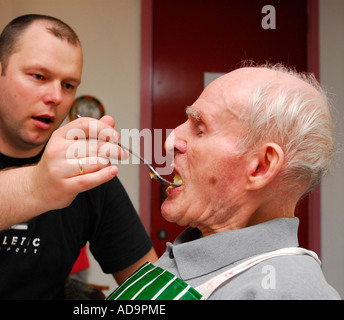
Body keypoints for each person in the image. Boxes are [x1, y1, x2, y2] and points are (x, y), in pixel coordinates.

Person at [0, 14, 157, 299]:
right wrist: (37, 186)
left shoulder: (84, 172)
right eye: (39, 77)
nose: (56, 96)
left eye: (68, 85)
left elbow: (151, 286)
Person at [111, 64, 340, 300]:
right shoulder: (187, 256)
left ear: (261, 166)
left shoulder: (289, 292)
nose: (170, 142)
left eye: (199, 129)